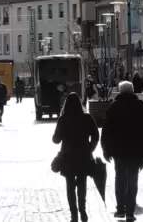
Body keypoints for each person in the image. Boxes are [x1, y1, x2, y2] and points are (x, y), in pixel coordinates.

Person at [101, 81, 143, 222]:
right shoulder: (141, 106)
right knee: (132, 179)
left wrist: (106, 149)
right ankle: (130, 212)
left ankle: (120, 209)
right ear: (132, 91)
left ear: (119, 91)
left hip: (118, 150)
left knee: (120, 178)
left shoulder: (113, 107)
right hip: (136, 150)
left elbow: (106, 130)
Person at [52, 92, 99, 222]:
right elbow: (95, 135)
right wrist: (90, 148)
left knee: (70, 186)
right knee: (82, 184)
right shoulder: (87, 118)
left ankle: (74, 215)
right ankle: (83, 211)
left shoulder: (63, 119)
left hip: (68, 157)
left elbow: (56, 140)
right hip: (83, 155)